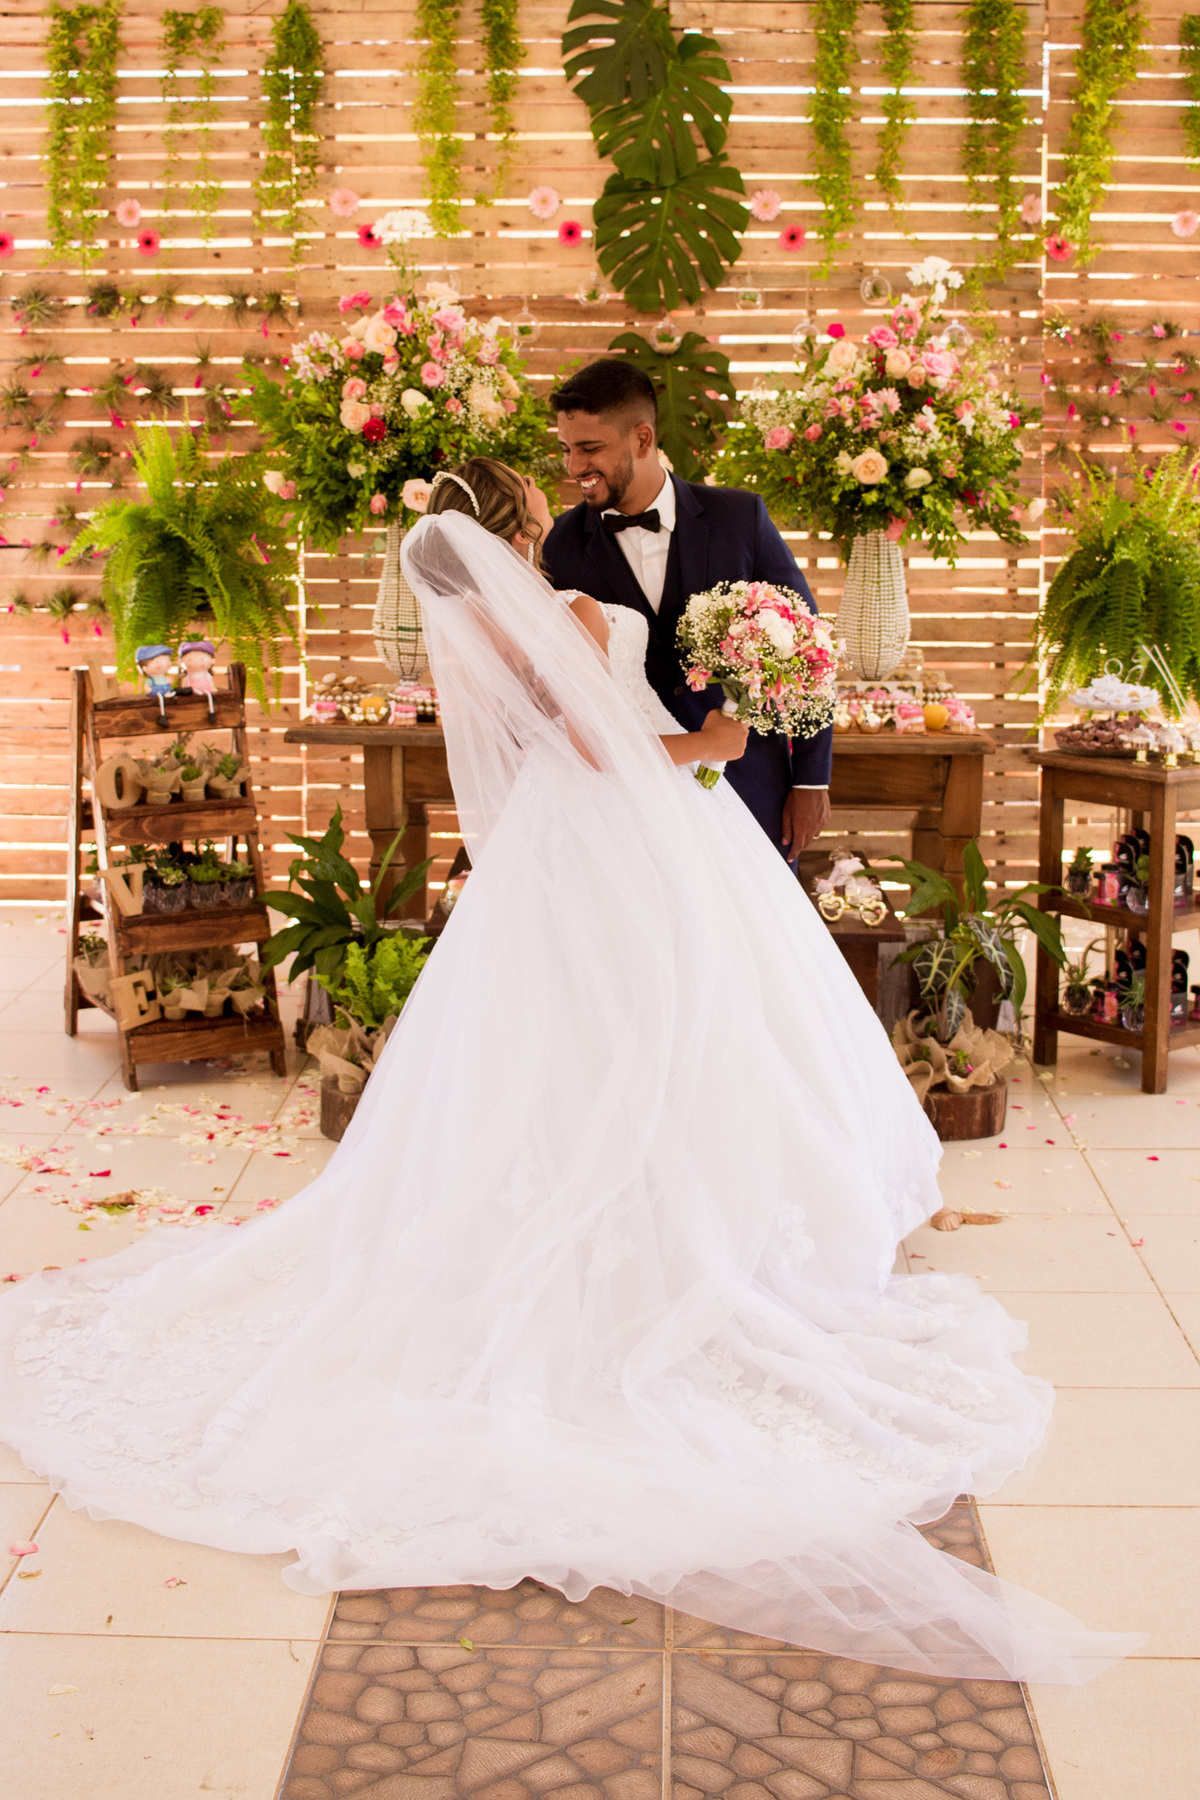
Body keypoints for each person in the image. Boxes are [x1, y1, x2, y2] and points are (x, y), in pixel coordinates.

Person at [0, 461, 1137, 1685]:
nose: (554, 506)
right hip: (628, 837)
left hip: (559, 856)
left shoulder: (499, 621)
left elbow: (565, 744)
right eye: (536, 500)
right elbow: (612, 752)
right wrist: (720, 733)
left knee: (569, 1055)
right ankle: (675, 1244)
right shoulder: (566, 612)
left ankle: (603, 1221)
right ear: (518, 523)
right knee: (656, 1038)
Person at [542, 358, 831, 859]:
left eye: (590, 449)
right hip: (631, 803)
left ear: (643, 439)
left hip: (750, 783)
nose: (574, 468)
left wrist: (811, 781)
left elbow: (808, 648)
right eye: (567, 450)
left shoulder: (740, 517)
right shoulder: (562, 545)